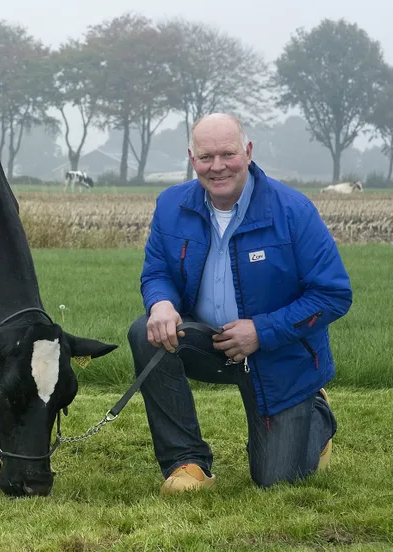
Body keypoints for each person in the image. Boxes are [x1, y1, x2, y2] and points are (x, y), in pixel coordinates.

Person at [127, 113, 353, 495]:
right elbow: (157, 272)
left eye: (227, 154)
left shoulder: (292, 211)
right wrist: (161, 303)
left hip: (278, 351)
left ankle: (315, 413)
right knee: (145, 332)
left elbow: (333, 294)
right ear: (191, 157)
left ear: (247, 152)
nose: (217, 167)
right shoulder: (170, 205)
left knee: (275, 477)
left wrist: (261, 332)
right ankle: (188, 462)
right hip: (208, 342)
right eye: (206, 157)